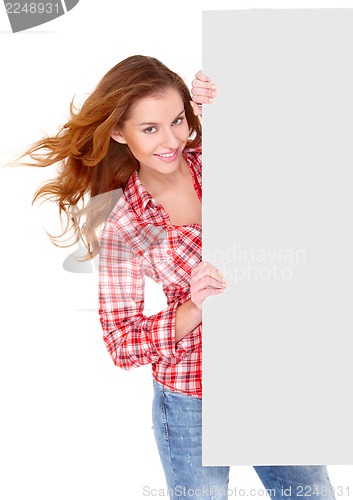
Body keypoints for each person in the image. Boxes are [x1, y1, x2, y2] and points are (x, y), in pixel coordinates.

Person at [22, 55, 337, 499]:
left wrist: (231, 105)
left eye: (178, 121)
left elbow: (299, 161)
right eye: (149, 129)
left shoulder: (222, 163)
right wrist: (193, 306)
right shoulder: (123, 222)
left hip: (266, 374)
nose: (170, 140)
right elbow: (121, 342)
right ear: (119, 133)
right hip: (191, 397)